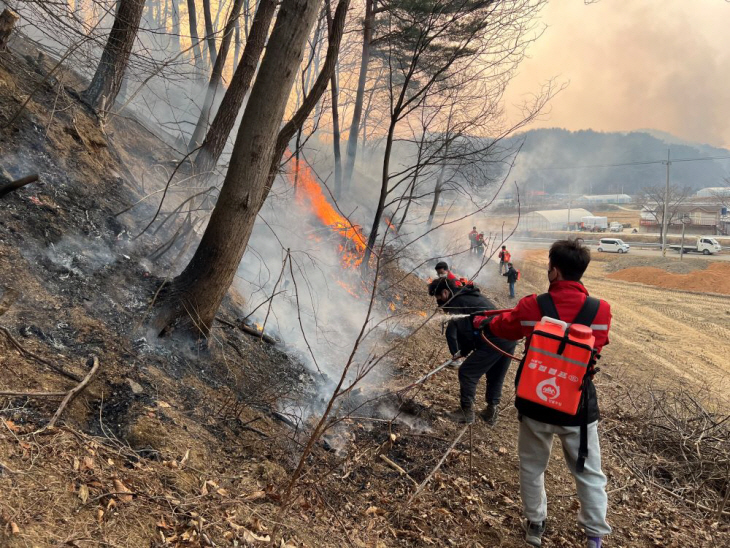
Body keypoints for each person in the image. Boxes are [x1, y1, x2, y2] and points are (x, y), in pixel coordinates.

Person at [481, 239, 612, 548]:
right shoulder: (601, 310)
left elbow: (504, 328)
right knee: (590, 473)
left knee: (532, 465)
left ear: (554, 271)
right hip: (577, 406)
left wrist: (486, 322)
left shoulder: (532, 305)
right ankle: (594, 537)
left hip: (535, 402)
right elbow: (598, 347)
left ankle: (536, 524)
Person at [428, 277, 517, 424]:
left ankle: (466, 412)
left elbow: (467, 333)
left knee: (467, 372)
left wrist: (463, 351)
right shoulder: (468, 296)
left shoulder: (456, 303)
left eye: (438, 299)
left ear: (444, 293)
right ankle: (491, 413)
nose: (440, 304)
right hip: (509, 336)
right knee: (496, 375)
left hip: (495, 338)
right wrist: (463, 352)